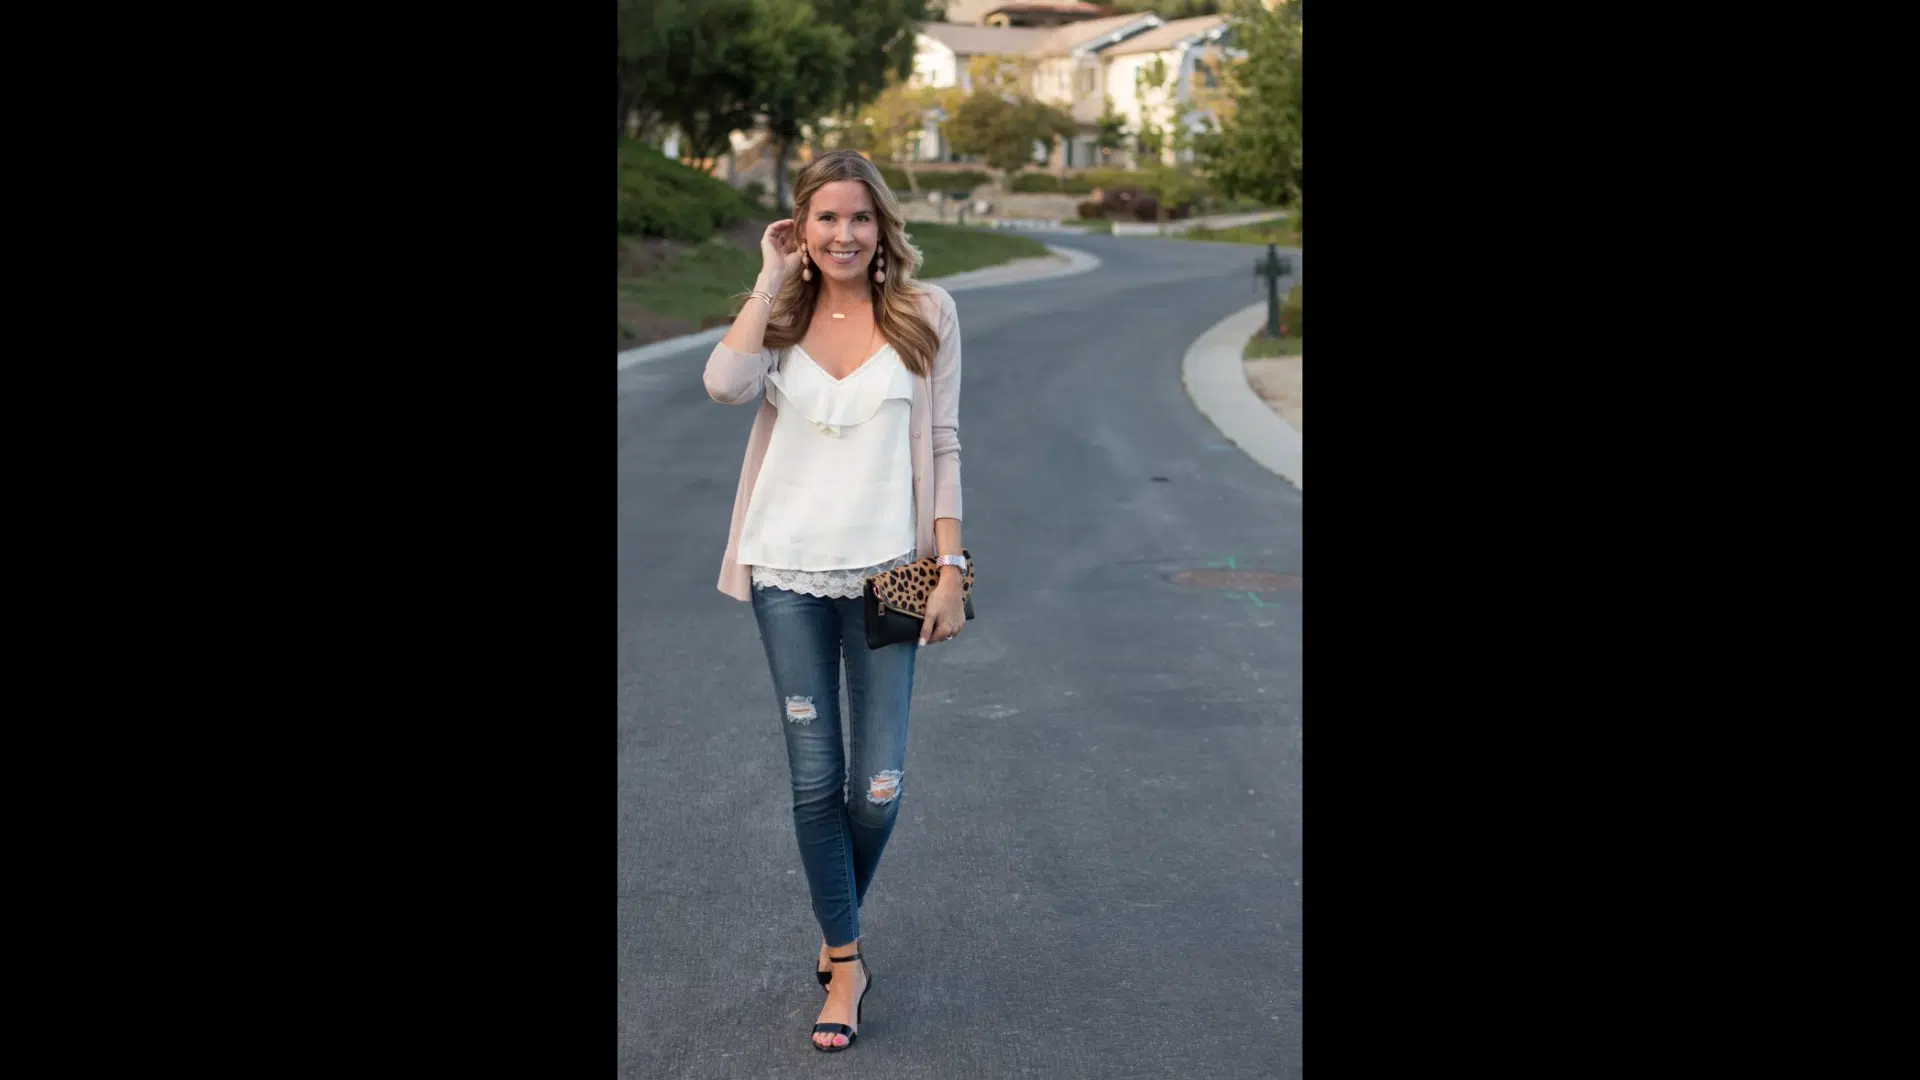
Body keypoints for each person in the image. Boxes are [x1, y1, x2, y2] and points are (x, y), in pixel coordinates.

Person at [702, 149, 967, 1053]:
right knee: (816, 779)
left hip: (890, 573)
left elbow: (945, 444)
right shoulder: (778, 313)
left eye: (859, 218)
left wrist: (952, 565)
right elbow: (722, 385)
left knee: (880, 786)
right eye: (825, 220)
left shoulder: (926, 314)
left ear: (881, 225)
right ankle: (845, 960)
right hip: (787, 570)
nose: (844, 234)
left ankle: (833, 926)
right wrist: (770, 277)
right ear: (801, 229)